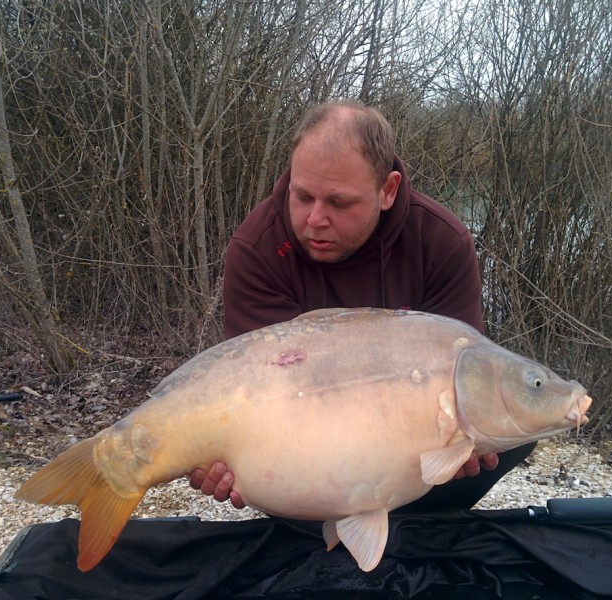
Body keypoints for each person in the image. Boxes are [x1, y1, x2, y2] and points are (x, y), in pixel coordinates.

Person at [189, 99, 535, 512]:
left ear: (387, 191)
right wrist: (224, 458)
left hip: (410, 440)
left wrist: (463, 443)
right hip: (297, 424)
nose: (315, 219)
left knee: (510, 430)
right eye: (303, 196)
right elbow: (254, 393)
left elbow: (463, 371)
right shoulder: (259, 247)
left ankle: (418, 529)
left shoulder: (442, 242)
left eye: (339, 203)